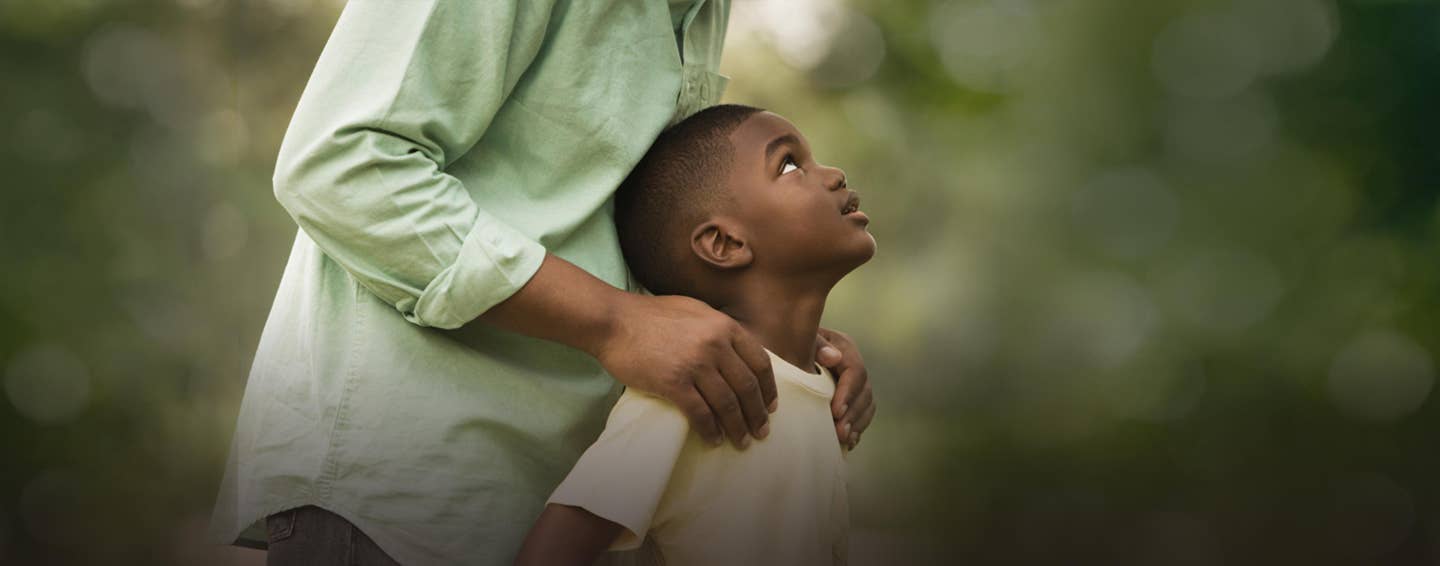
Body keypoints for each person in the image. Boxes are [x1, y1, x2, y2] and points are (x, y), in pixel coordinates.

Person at [205, 2, 877, 566]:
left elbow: (637, 221)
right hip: (411, 491)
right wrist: (614, 321)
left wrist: (776, 339)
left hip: (566, 475)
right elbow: (337, 164)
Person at [515, 104, 874, 565]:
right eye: (789, 165)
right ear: (724, 244)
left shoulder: (827, 386)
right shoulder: (692, 391)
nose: (834, 174)